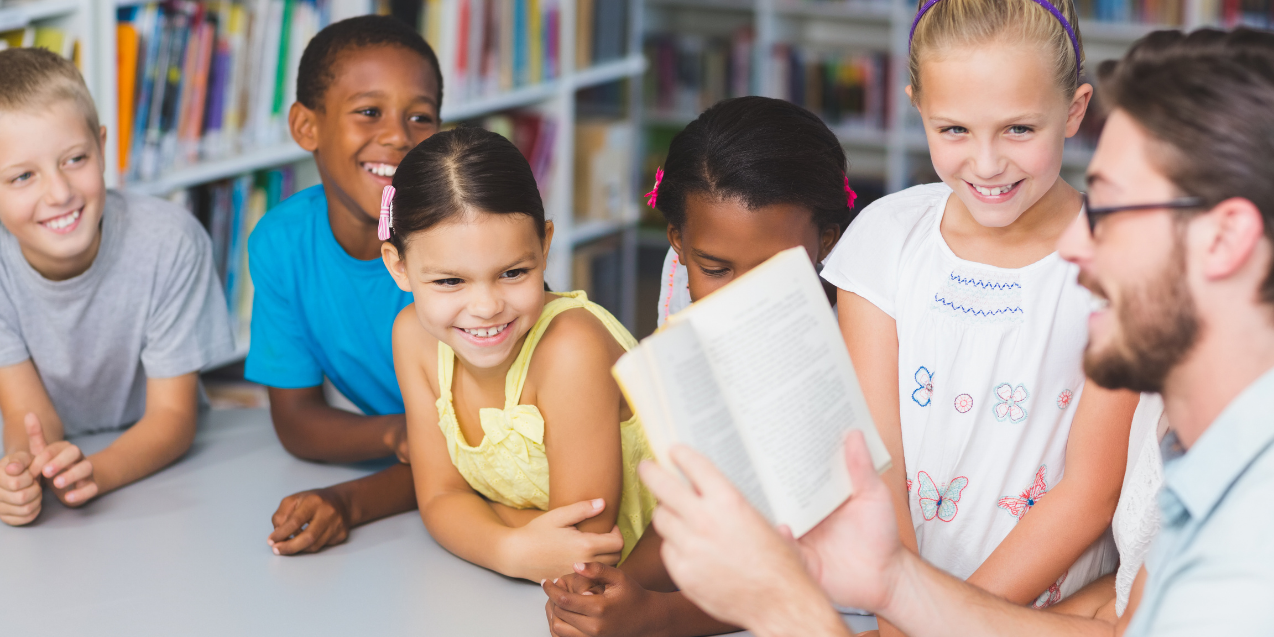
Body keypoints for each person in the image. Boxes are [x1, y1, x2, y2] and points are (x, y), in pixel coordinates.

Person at [641, 26, 1274, 637]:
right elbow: (1118, 622)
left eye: (1108, 207)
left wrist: (791, 613)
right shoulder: (1200, 465)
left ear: (1226, 238)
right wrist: (890, 588)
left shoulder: (1249, 535)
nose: (1077, 241)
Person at [818, 0, 1143, 630]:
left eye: (1019, 130)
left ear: (1074, 111)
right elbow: (874, 452)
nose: (988, 164)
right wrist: (898, 604)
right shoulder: (886, 238)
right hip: (887, 607)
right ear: (918, 108)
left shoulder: (1119, 260)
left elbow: (1091, 491)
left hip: (1032, 616)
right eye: (954, 130)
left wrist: (930, 617)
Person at [542, 95, 857, 637]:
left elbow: (832, 563)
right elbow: (703, 472)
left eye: (775, 270)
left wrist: (657, 616)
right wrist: (609, 589)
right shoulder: (682, 286)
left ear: (826, 242)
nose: (743, 298)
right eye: (715, 269)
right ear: (679, 247)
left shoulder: (856, 338)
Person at [384, 126, 658, 584]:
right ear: (398, 266)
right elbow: (436, 499)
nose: (487, 306)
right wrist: (508, 551)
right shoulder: (413, 338)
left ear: (545, 245)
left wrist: (476, 518)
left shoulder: (571, 349)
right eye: (451, 281)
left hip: (659, 589)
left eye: (512, 272)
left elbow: (583, 549)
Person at [0, 48, 234, 526]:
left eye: (75, 159)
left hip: (154, 469)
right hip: (65, 462)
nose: (59, 193)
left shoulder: (170, 242)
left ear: (102, 149)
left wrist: (92, 473)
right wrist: (24, 472)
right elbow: (29, 419)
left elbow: (172, 418)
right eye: (23, 176)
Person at [246, 15, 443, 555]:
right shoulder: (281, 243)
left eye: (420, 117)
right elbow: (296, 419)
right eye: (369, 111)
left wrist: (350, 502)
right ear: (307, 127)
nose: (399, 135)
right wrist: (396, 434)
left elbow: (482, 453)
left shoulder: (459, 246)